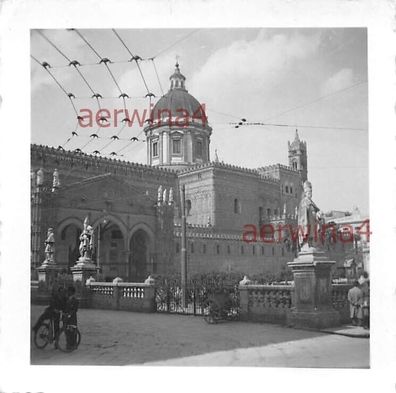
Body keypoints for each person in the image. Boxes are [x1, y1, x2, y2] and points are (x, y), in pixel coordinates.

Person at [64, 286, 79, 350]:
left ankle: (73, 344)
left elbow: (75, 309)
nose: (68, 292)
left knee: (72, 331)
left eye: (69, 291)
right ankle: (68, 344)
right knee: (66, 331)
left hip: (72, 317)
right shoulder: (67, 299)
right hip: (66, 316)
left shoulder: (75, 300)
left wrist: (69, 314)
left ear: (72, 292)